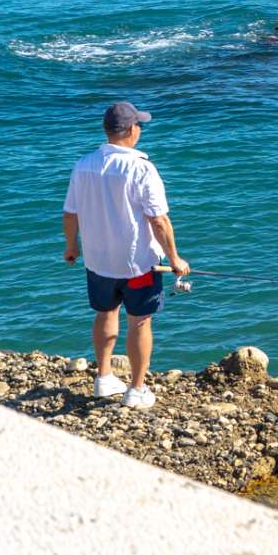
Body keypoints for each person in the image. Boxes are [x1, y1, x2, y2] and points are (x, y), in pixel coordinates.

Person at [62, 101, 190, 409]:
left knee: (105, 313)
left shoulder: (84, 164)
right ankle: (136, 389)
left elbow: (70, 213)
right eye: (139, 125)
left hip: (97, 261)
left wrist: (71, 246)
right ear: (132, 130)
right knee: (140, 322)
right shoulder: (141, 168)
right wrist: (175, 259)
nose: (140, 130)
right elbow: (158, 220)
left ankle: (103, 378)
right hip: (138, 265)